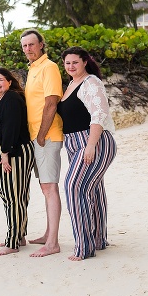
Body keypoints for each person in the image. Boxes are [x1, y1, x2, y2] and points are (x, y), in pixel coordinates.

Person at [57, 47, 116, 261]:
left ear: (84, 62)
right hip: (73, 143)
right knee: (93, 189)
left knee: (74, 187)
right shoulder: (71, 85)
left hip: (93, 140)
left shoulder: (90, 82)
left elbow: (99, 113)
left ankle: (84, 247)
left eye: (75, 62)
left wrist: (91, 145)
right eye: (67, 63)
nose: (71, 66)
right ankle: (98, 240)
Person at [0, 67, 35, 256]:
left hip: (14, 154)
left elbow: (10, 127)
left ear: (10, 82)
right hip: (7, 155)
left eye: (1, 79)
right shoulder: (1, 99)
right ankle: (18, 235)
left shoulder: (11, 98)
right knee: (14, 196)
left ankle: (12, 242)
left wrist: (5, 153)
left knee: (13, 197)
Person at [20, 28, 63, 257]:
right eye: (25, 46)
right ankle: (48, 234)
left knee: (50, 188)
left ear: (41, 45)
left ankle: (53, 243)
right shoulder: (33, 68)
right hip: (36, 136)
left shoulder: (49, 67)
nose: (28, 49)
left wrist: (41, 135)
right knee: (45, 187)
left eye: (31, 45)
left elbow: (51, 103)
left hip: (47, 136)